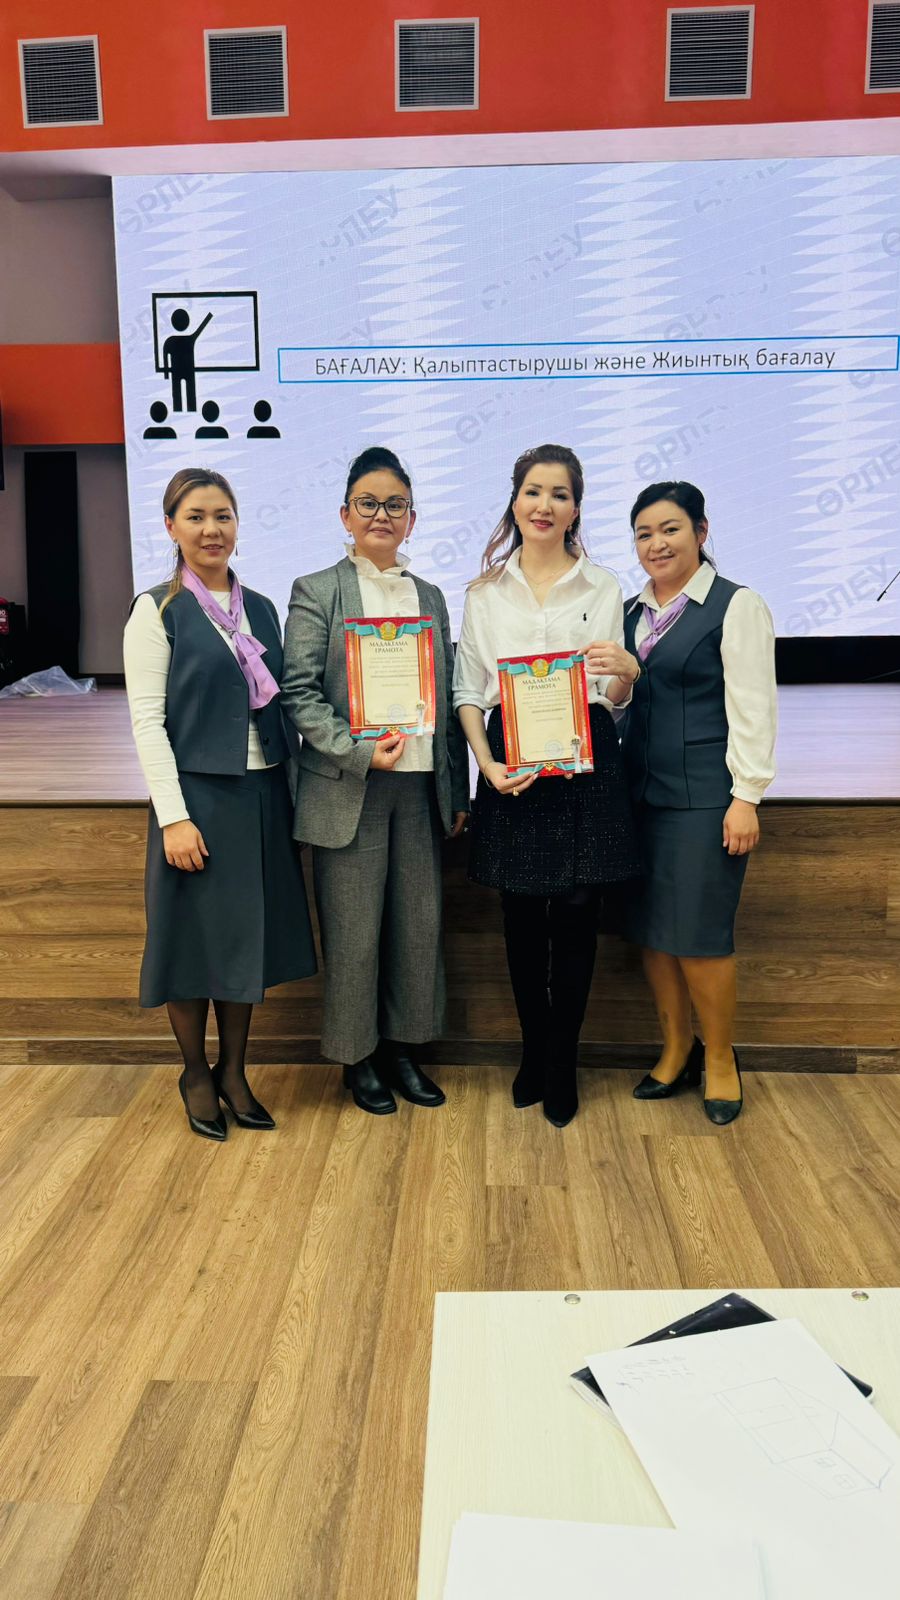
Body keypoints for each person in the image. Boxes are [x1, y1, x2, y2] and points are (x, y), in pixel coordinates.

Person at [123, 467, 317, 1140]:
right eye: (197, 517)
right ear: (171, 527)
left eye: (223, 516)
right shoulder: (158, 610)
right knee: (190, 945)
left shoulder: (260, 607)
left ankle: (234, 1071)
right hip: (196, 800)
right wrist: (174, 817)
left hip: (262, 795)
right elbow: (147, 723)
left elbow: (286, 702)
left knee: (243, 943)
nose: (212, 529)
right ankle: (195, 1074)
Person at [453, 444, 642, 1128]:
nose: (544, 505)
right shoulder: (483, 594)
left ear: (575, 509)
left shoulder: (603, 586)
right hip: (513, 763)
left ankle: (563, 1060)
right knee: (522, 916)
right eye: (534, 491)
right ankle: (533, 1051)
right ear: (515, 501)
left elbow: (611, 697)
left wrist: (629, 673)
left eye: (559, 494)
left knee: (579, 914)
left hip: (586, 758)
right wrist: (486, 764)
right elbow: (467, 691)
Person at [280, 447, 469, 1115]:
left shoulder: (431, 597)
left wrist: (456, 791)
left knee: (416, 929)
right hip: (350, 787)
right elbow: (298, 693)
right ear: (345, 515)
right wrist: (357, 749)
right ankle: (356, 1058)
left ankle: (403, 1050)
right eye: (369, 503)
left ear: (412, 518)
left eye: (395, 505)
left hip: (417, 789)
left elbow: (447, 700)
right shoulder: (318, 589)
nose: (381, 515)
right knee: (355, 934)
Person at [623, 480, 776, 1125]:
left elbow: (754, 707)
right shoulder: (629, 612)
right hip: (638, 794)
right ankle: (676, 1048)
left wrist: (747, 796)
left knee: (700, 937)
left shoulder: (736, 606)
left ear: (701, 532)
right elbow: (624, 703)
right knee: (654, 933)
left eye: (670, 529)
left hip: (704, 800)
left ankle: (719, 1058)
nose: (656, 544)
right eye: (644, 534)